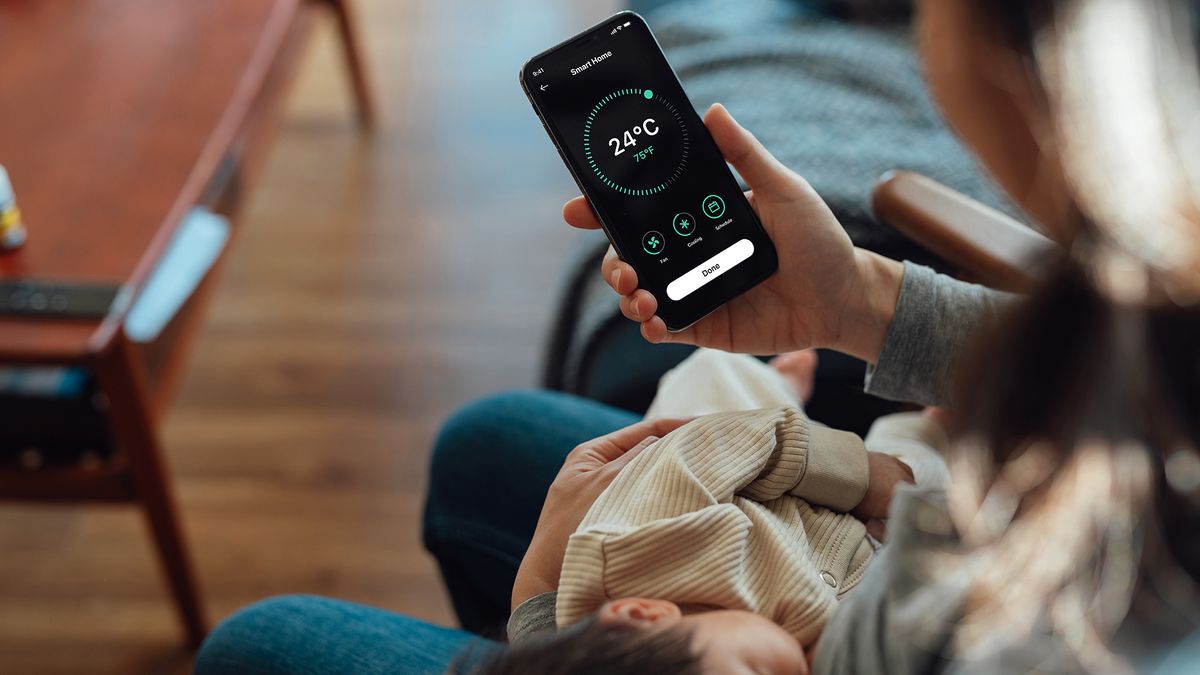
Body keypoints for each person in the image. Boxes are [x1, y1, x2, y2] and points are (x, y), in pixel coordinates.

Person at [194, 0, 1200, 671]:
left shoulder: (1059, 613)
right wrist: (854, 298)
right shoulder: (1141, 347)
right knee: (485, 439)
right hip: (878, 532)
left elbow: (755, 456)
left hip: (867, 542)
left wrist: (543, 621)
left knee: (258, 645)